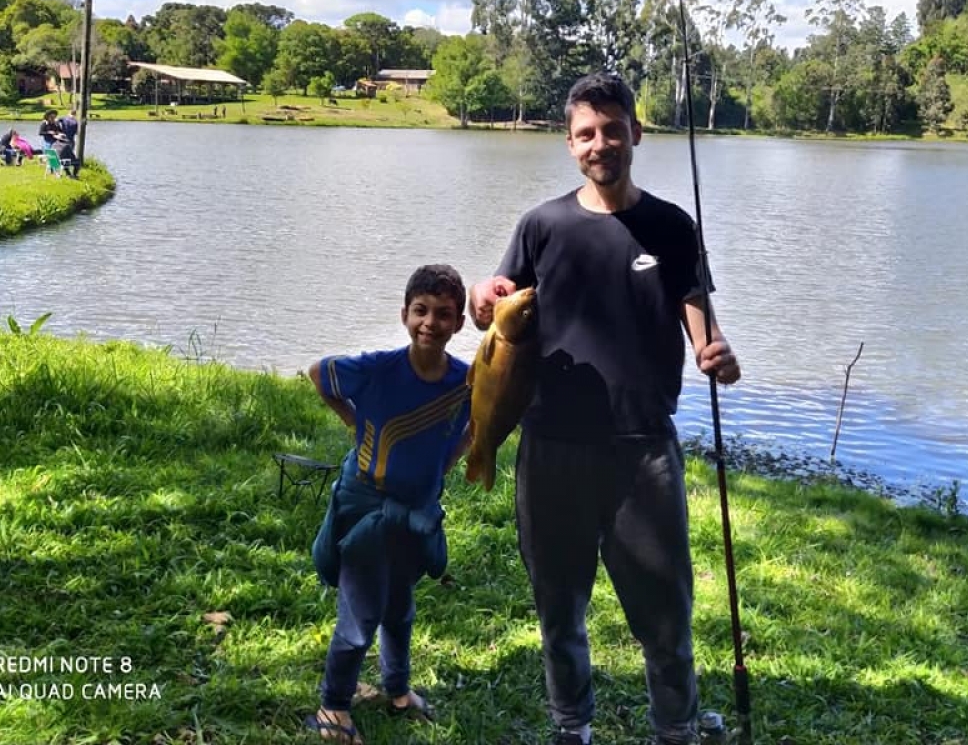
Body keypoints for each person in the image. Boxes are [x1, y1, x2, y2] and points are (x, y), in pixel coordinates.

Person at [468, 72, 742, 745]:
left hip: (642, 448)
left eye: (612, 130)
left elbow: (702, 323)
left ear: (635, 133)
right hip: (551, 445)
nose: (601, 144)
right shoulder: (542, 225)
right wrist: (482, 294)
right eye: (586, 134)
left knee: (666, 610)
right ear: (569, 144)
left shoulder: (672, 227)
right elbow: (499, 311)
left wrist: (717, 352)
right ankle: (571, 726)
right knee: (560, 605)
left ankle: (674, 728)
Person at [305, 264, 474, 745]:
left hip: (417, 512)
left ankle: (397, 690)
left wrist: (448, 460)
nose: (430, 323)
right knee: (359, 616)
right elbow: (320, 374)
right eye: (421, 311)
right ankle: (333, 707)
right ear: (404, 315)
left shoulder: (465, 382)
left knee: (400, 608)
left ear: (459, 323)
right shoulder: (378, 368)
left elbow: (479, 423)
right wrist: (356, 426)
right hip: (368, 509)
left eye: (443, 314)